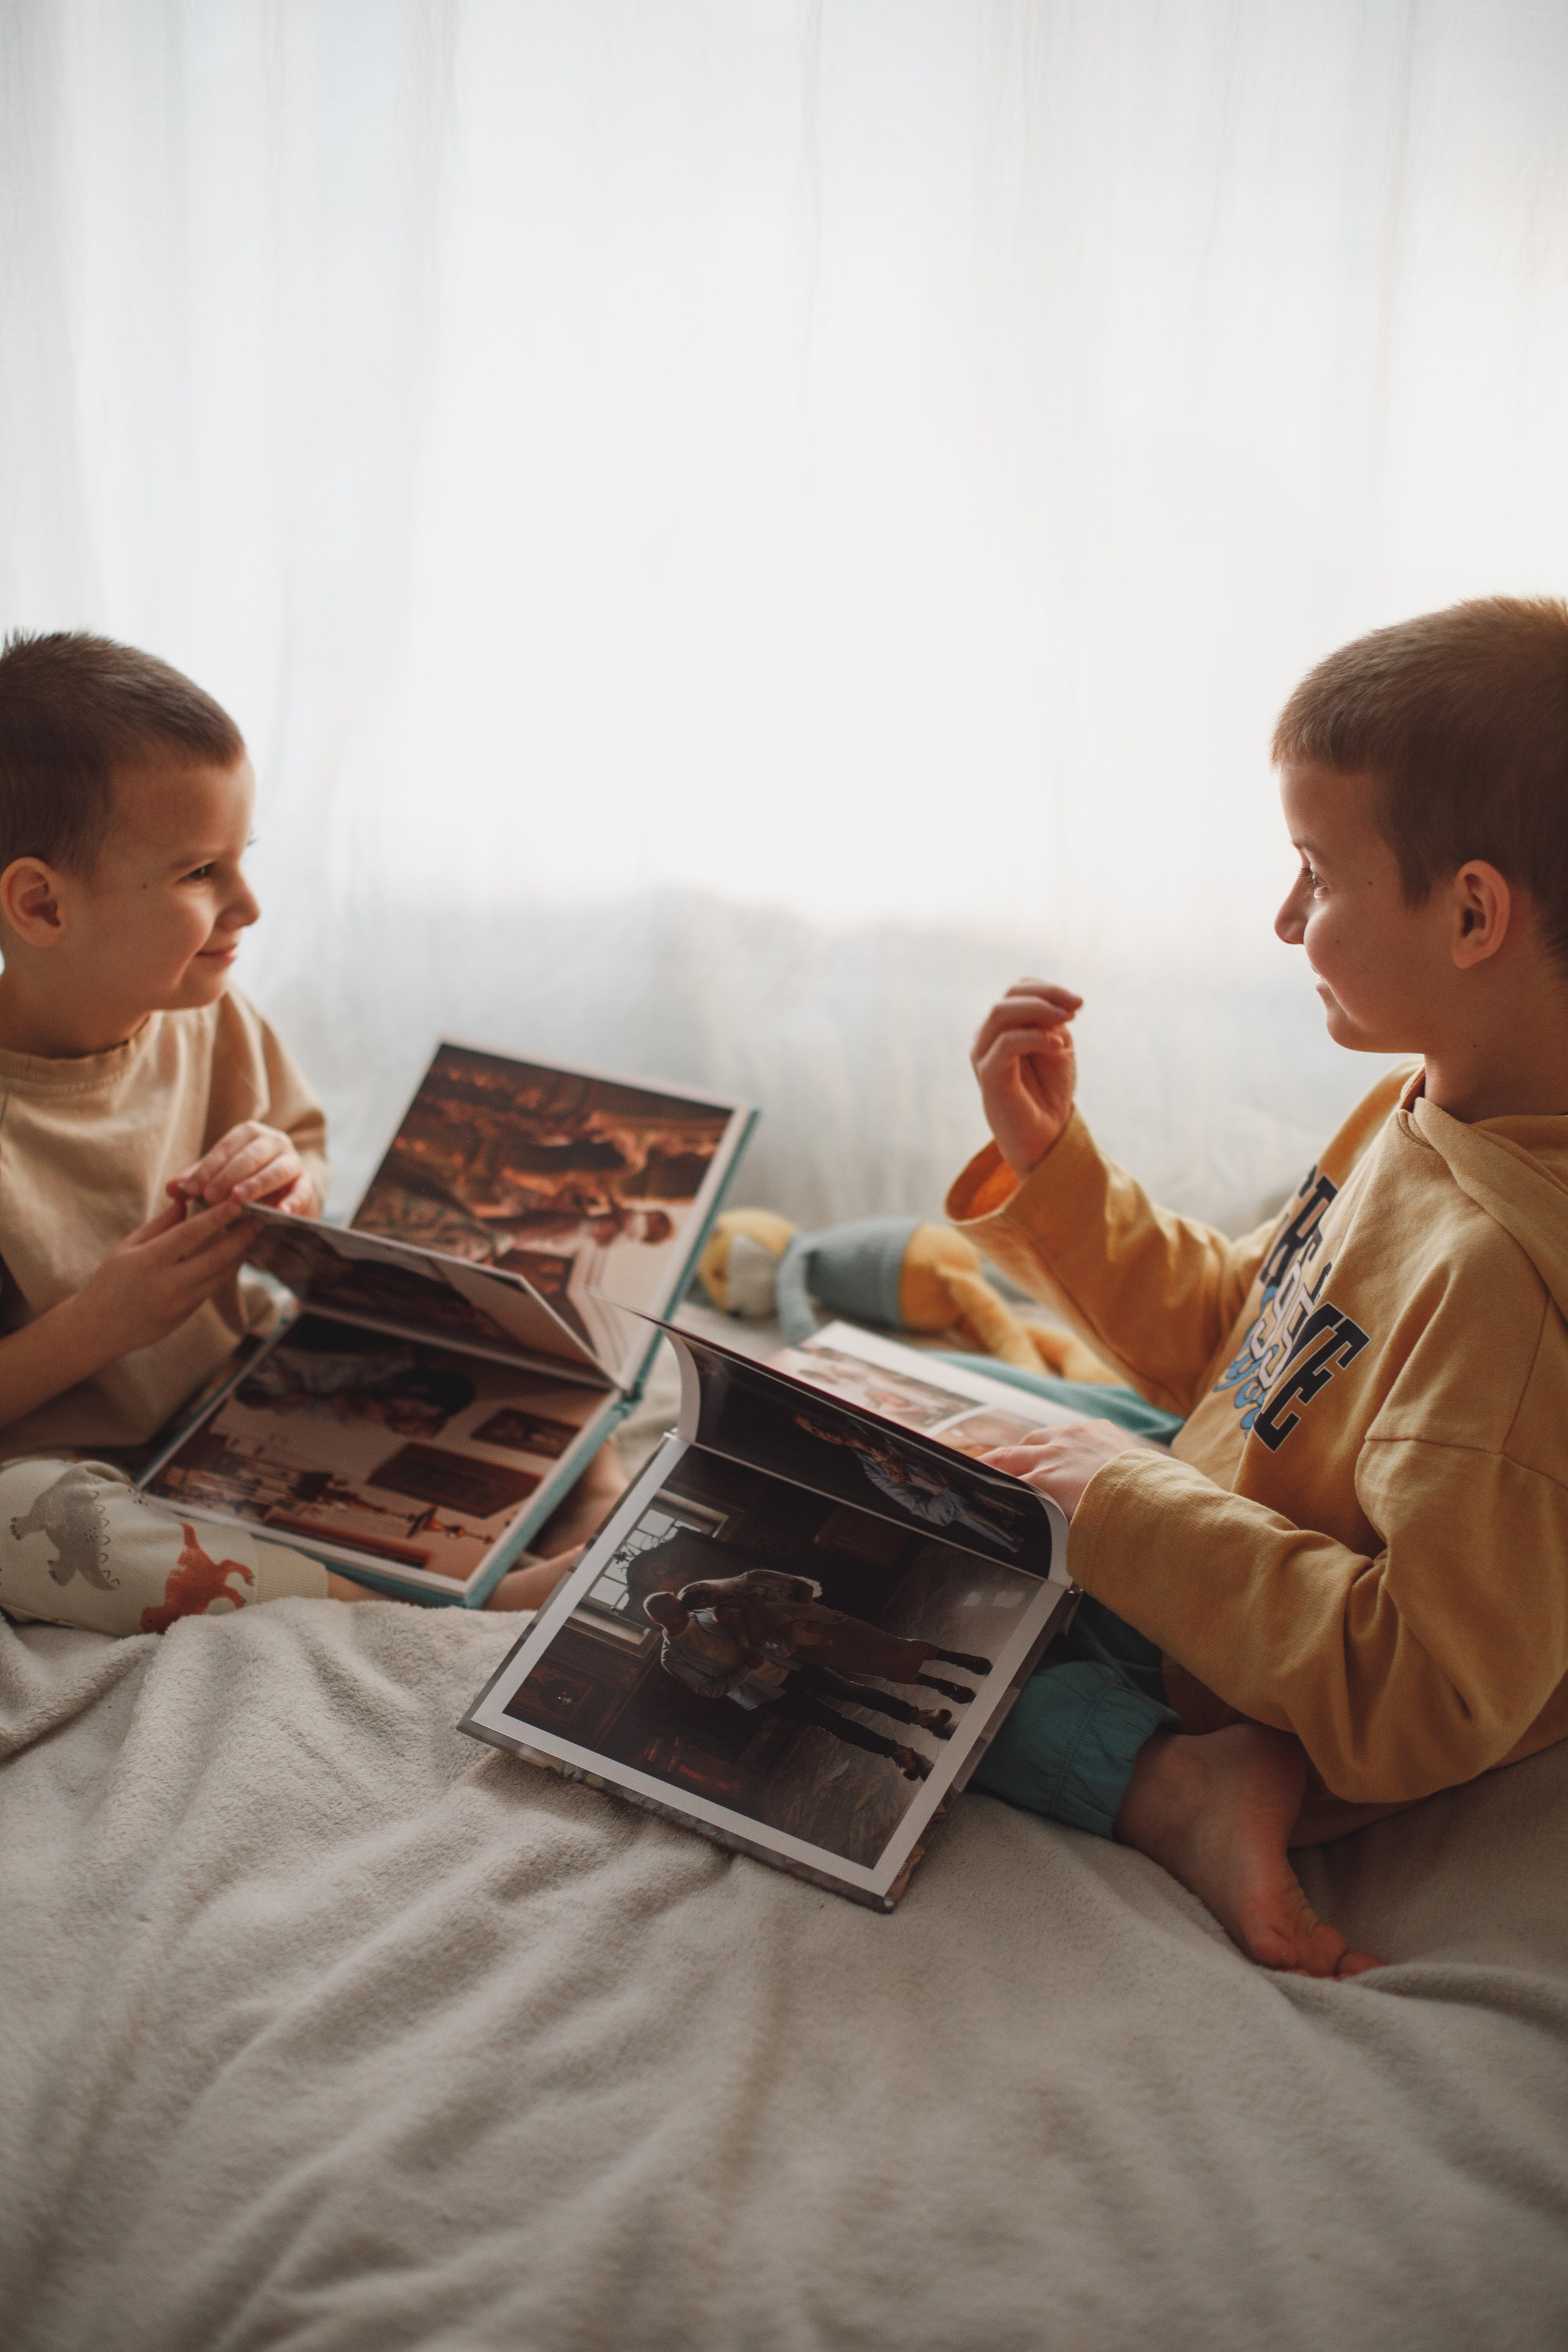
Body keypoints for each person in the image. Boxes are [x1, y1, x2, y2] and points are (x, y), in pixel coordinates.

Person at [949, 596, 1568, 1981]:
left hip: (1231, 1657)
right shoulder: (1425, 1110)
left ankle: (1169, 1783)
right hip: (1209, 1518)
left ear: (1470, 911)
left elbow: (1423, 1692)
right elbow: (1256, 1340)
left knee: (824, 1594)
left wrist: (1121, 1506)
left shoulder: (1506, 1290)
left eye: (1313, 872)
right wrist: (1052, 1169)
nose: (1283, 914)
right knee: (852, 1409)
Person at [0, 631, 601, 1634]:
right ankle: (434, 1604)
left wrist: (290, 1184)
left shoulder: (216, 1019)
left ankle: (573, 1501)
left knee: (524, 1332)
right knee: (21, 1528)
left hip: (249, 1397)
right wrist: (105, 1321)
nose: (248, 904)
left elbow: (306, 1156)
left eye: (244, 860)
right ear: (41, 904)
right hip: (76, 1462)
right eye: (201, 871)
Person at [643, 1589, 943, 1782]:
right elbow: (709, 1690)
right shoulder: (672, 1658)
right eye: (671, 1612)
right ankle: (897, 1752)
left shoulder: (711, 1614)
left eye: (678, 1606)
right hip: (765, 1693)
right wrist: (746, 1669)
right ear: (659, 1620)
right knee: (831, 1721)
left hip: (791, 1664)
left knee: (854, 1691)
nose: (681, 1612)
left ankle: (918, 1716)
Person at [676, 1567, 993, 1700]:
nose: (706, 1601)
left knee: (890, 1645)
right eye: (698, 1604)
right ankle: (941, 1685)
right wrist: (765, 1623)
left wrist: (789, 1609)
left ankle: (958, 1659)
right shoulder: (723, 1617)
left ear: (706, 1586)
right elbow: (755, 1641)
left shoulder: (752, 1578)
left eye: (702, 1594)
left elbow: (801, 1587)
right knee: (874, 1667)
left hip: (824, 1622)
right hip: (803, 1647)